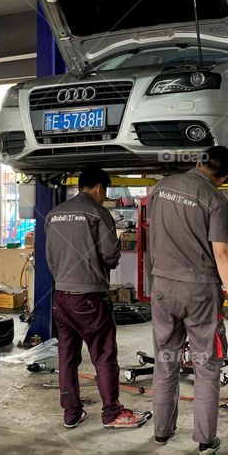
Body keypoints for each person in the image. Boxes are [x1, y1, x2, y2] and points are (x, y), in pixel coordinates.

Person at [146, 146, 228, 452]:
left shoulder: (161, 188)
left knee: (165, 360)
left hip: (162, 287)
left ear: (200, 162)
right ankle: (204, 439)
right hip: (199, 292)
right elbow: (222, 252)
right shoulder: (215, 200)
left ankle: (162, 431)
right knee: (206, 366)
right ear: (224, 177)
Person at [45, 167, 149, 430]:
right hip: (90, 297)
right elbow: (111, 256)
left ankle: (71, 413)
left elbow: (50, 258)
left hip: (60, 296)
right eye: (105, 192)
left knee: (67, 358)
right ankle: (112, 412)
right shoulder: (97, 213)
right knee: (103, 355)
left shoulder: (54, 214)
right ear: (99, 188)